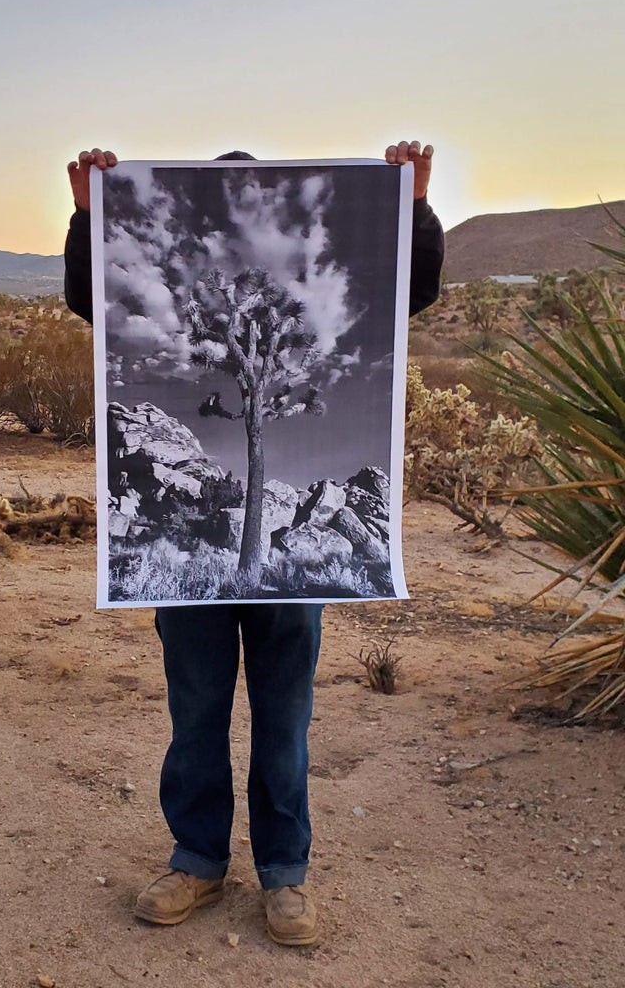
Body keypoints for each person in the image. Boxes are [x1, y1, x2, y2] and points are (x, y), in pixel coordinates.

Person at [64, 142, 445, 946]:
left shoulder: (280, 330)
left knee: (285, 715)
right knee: (196, 709)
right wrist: (87, 214)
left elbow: (408, 290)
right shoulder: (210, 322)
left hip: (288, 581)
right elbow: (87, 300)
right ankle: (197, 858)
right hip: (192, 583)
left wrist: (413, 208)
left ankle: (285, 874)